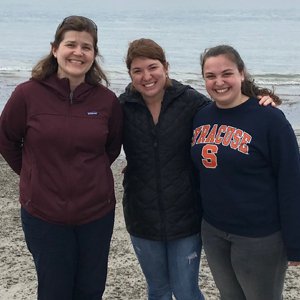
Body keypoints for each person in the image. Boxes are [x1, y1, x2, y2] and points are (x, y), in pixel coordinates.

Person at [119, 38, 276, 300]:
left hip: (186, 215)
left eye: (152, 67)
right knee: (157, 290)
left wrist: (258, 98)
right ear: (130, 74)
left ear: (166, 67)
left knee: (185, 290)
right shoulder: (123, 107)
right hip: (141, 215)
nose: (146, 76)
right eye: (137, 70)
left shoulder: (190, 102)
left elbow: (227, 104)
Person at [0, 16, 123, 299]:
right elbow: (6, 140)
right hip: (44, 213)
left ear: (94, 54)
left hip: (96, 213)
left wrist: (89, 176)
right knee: (54, 289)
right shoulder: (27, 94)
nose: (78, 52)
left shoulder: (106, 100)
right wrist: (33, 173)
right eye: (71, 44)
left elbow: (112, 146)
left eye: (86, 47)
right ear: (55, 49)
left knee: (91, 290)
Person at [191, 44, 300, 300]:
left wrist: (295, 243)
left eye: (226, 73)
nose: (219, 82)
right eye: (210, 76)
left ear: (241, 73)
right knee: (229, 296)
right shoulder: (200, 116)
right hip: (214, 230)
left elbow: (291, 181)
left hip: (259, 236)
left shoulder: (270, 119)